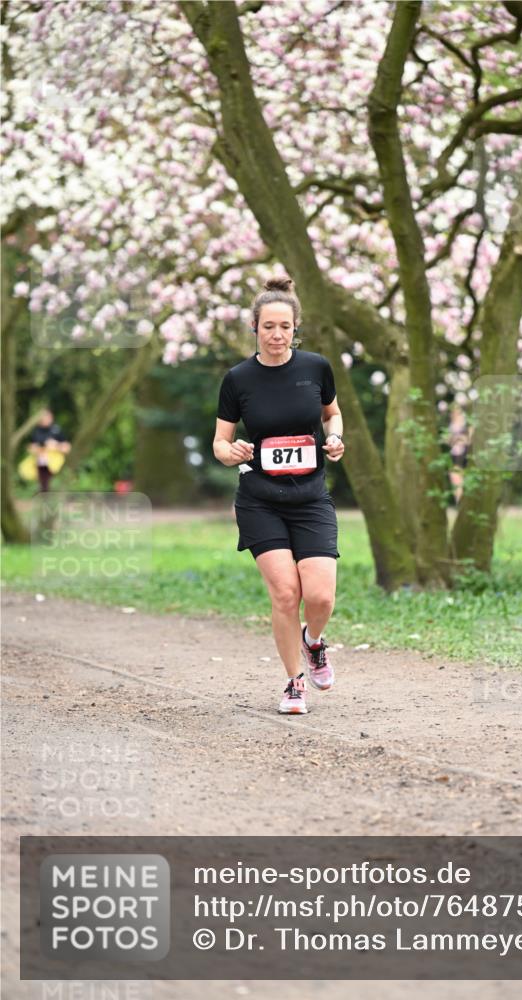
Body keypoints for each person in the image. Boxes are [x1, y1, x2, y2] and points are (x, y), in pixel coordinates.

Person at [213, 276, 344, 715]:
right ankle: (293, 683)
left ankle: (314, 641)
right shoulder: (238, 379)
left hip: (310, 497)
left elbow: (332, 414)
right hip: (260, 500)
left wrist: (336, 437)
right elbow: (220, 442)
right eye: (268, 326)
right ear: (254, 327)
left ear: (295, 328)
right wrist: (230, 454)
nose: (276, 335)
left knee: (321, 596)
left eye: (284, 327)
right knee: (286, 594)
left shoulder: (316, 369)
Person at [28, 408, 71, 492]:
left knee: (45, 461)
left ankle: (46, 489)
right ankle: (44, 489)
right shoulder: (36, 431)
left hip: (55, 459)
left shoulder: (57, 430)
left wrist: (56, 446)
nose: (45, 419)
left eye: (47, 416)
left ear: (51, 417)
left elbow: (67, 447)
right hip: (40, 459)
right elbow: (30, 447)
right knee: (41, 460)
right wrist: (36, 449)